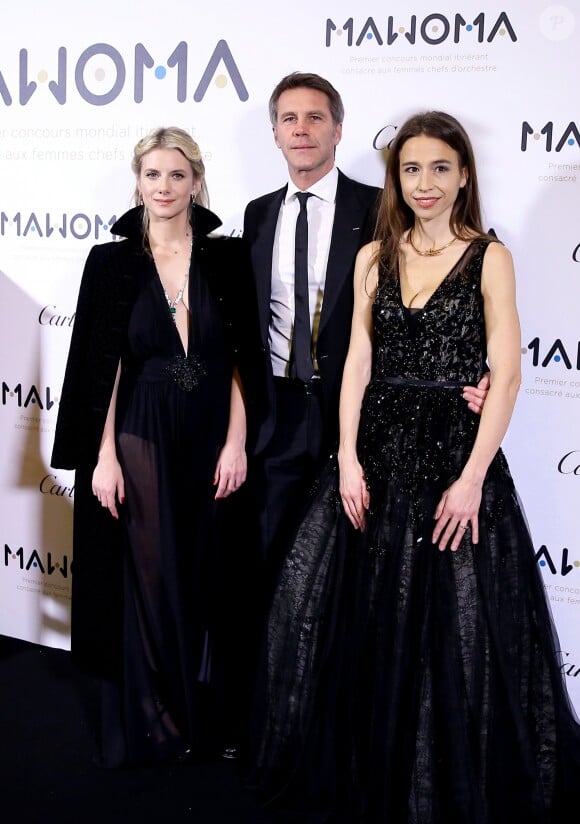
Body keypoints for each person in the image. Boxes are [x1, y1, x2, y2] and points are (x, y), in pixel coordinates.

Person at [247, 110, 580, 822]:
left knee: (456, 627)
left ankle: (444, 780)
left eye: (438, 168)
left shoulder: (490, 257)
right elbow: (358, 364)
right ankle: (375, 769)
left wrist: (471, 479)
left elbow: (508, 374)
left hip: (456, 461)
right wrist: (345, 460)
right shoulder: (375, 256)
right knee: (367, 616)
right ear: (395, 179)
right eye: (410, 169)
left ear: (463, 175)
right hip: (378, 453)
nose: (424, 183)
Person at [221, 73, 489, 758]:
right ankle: (280, 724)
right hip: (279, 415)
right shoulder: (254, 214)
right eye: (288, 118)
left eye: (316, 117)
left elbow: (452, 289)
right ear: (275, 132)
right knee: (280, 571)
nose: (302, 129)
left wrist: (477, 374)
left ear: (339, 129)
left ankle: (357, 728)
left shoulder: (383, 208)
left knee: (363, 576)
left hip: (371, 423)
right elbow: (241, 329)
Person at [50, 126, 258, 767]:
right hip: (137, 430)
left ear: (196, 181)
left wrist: (237, 443)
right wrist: (103, 455)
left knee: (202, 577)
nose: (163, 188)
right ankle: (153, 719)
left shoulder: (228, 257)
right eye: (151, 175)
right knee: (148, 574)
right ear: (136, 182)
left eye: (176, 175)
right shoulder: (110, 262)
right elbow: (101, 365)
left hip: (209, 439)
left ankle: (199, 716)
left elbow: (240, 360)